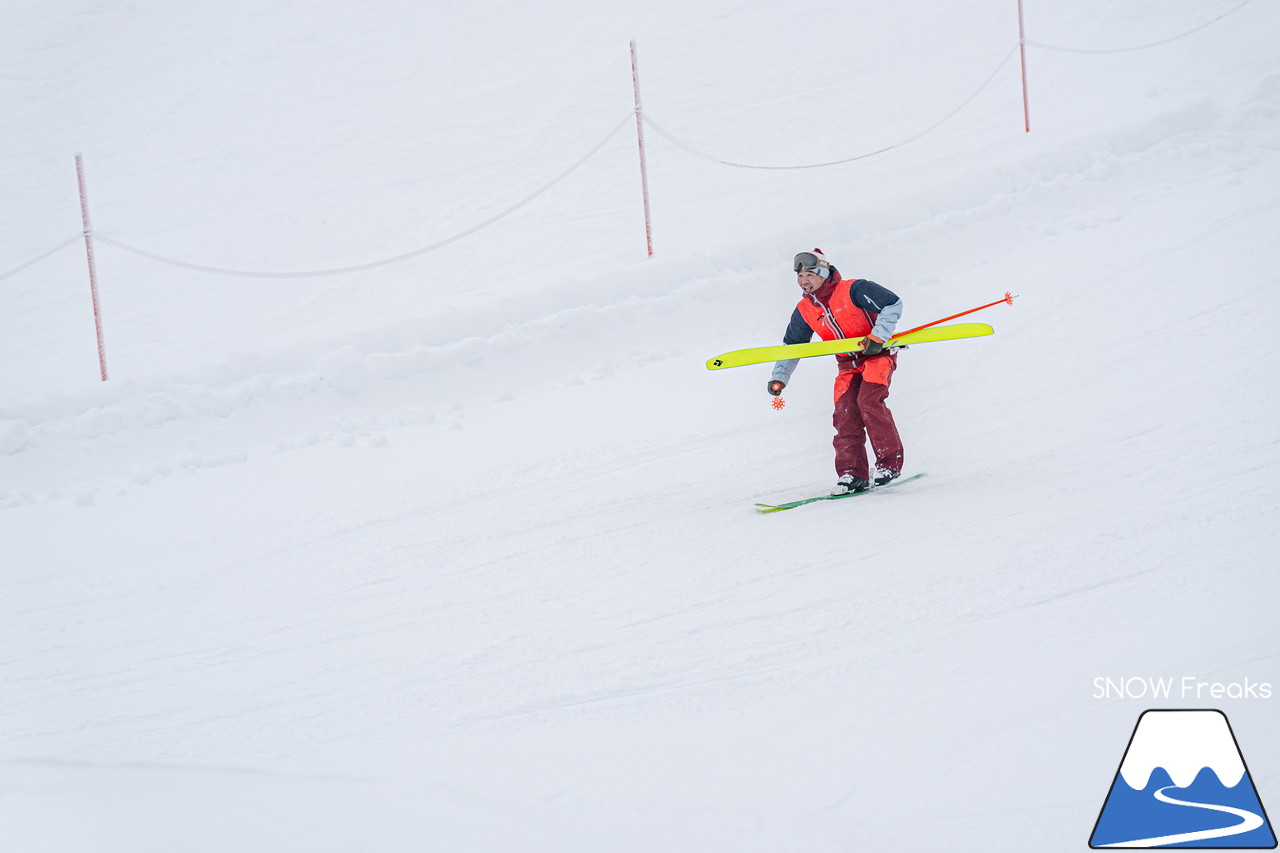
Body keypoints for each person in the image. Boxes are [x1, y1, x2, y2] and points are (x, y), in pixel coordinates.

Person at [768, 249, 905, 495]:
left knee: (868, 402)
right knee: (844, 414)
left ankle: (888, 464)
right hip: (847, 366)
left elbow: (892, 303)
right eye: (800, 276)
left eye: (809, 274)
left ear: (823, 273)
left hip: (877, 356)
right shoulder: (805, 309)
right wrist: (780, 377)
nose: (804, 280)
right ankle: (852, 474)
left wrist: (878, 335)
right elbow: (792, 346)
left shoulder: (854, 289)